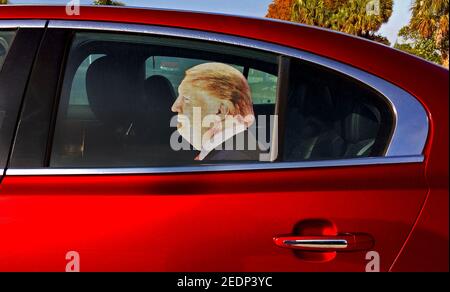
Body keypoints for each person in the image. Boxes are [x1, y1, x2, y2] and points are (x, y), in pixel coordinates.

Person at [171, 62, 263, 161]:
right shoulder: (232, 152)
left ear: (221, 111)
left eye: (186, 98)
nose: (174, 107)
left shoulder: (231, 161)